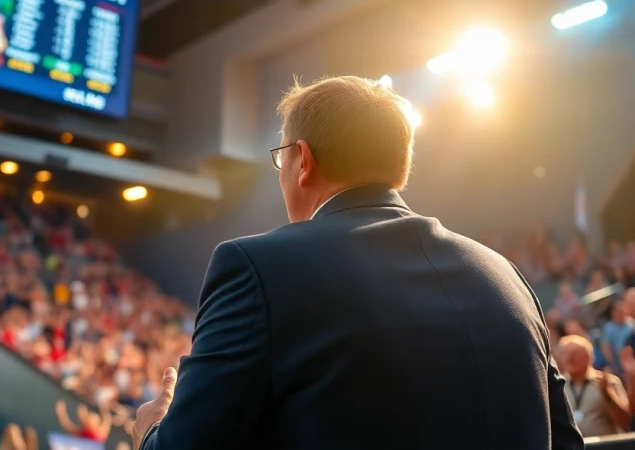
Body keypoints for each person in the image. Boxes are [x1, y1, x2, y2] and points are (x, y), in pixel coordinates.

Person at [132, 76, 583, 450]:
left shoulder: (255, 266)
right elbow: (565, 443)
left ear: (302, 160)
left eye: (280, 162)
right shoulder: (504, 273)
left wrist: (150, 429)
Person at [559, 335, 630, 436]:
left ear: (588, 357)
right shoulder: (559, 384)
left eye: (574, 354)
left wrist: (608, 395)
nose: (569, 358)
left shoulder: (608, 382)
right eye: (564, 354)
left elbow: (625, 421)